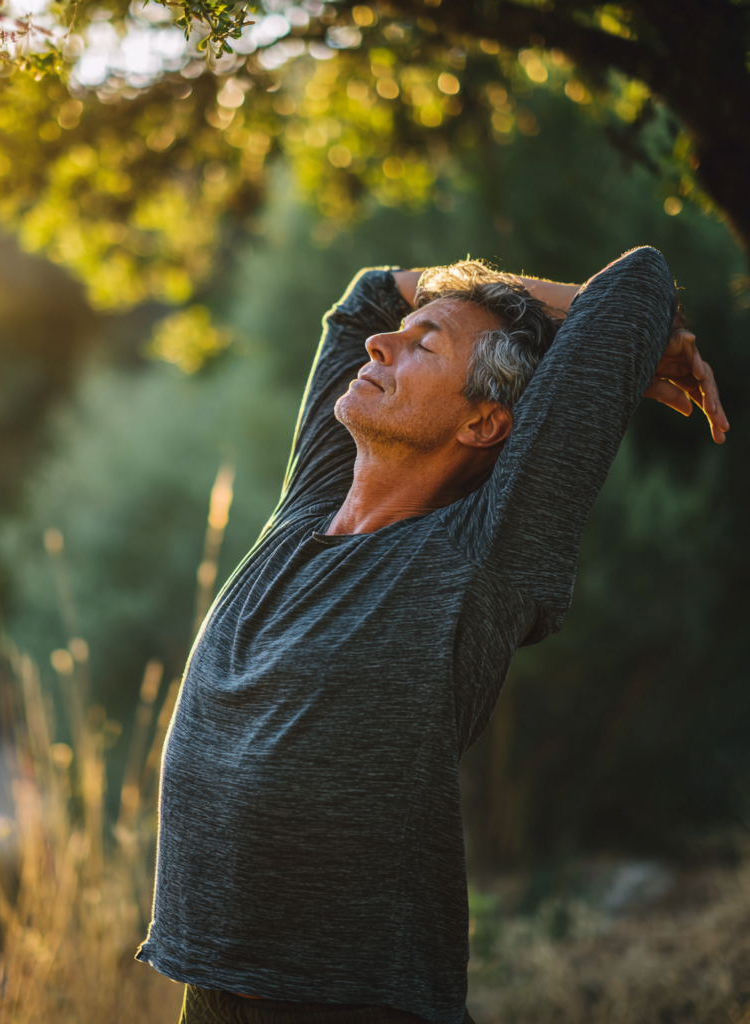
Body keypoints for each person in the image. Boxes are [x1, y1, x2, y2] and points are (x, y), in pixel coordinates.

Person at [136, 248, 729, 1024]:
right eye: (402, 334)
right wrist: (476, 302)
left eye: (424, 346)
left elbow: (638, 284)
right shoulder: (313, 500)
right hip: (213, 993)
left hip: (352, 1005)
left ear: (482, 422)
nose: (381, 345)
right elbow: (369, 296)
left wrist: (628, 335)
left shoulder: (483, 552)